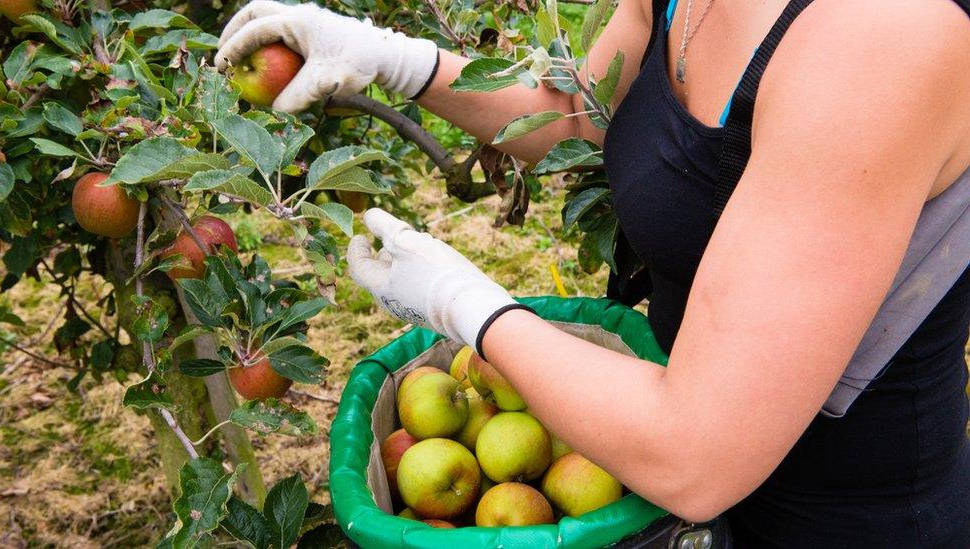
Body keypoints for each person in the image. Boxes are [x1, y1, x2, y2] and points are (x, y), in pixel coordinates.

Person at [216, 0, 970, 545]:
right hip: (656, 476)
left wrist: (463, 304)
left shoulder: (884, 35)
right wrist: (396, 59)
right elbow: (583, 116)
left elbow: (694, 451)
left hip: (840, 515)